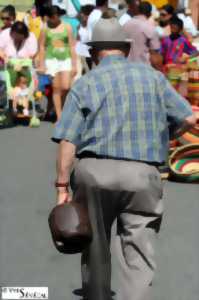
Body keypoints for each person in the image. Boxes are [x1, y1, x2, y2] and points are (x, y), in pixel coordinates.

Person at [52, 17, 197, 300]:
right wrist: (163, 136)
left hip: (94, 173)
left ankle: (97, 295)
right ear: (126, 50)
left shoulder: (86, 83)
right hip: (142, 174)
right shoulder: (154, 78)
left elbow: (68, 140)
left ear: (94, 53)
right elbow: (189, 117)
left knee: (93, 244)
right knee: (139, 253)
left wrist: (61, 187)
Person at [38, 5, 77, 121]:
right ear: (49, 17)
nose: (55, 19)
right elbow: (41, 46)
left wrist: (74, 64)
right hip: (51, 60)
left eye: (57, 16)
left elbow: (72, 45)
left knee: (66, 86)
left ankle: (61, 109)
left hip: (65, 59)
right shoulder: (45, 28)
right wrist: (42, 64)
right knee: (56, 88)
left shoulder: (67, 26)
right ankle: (60, 117)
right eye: (53, 17)